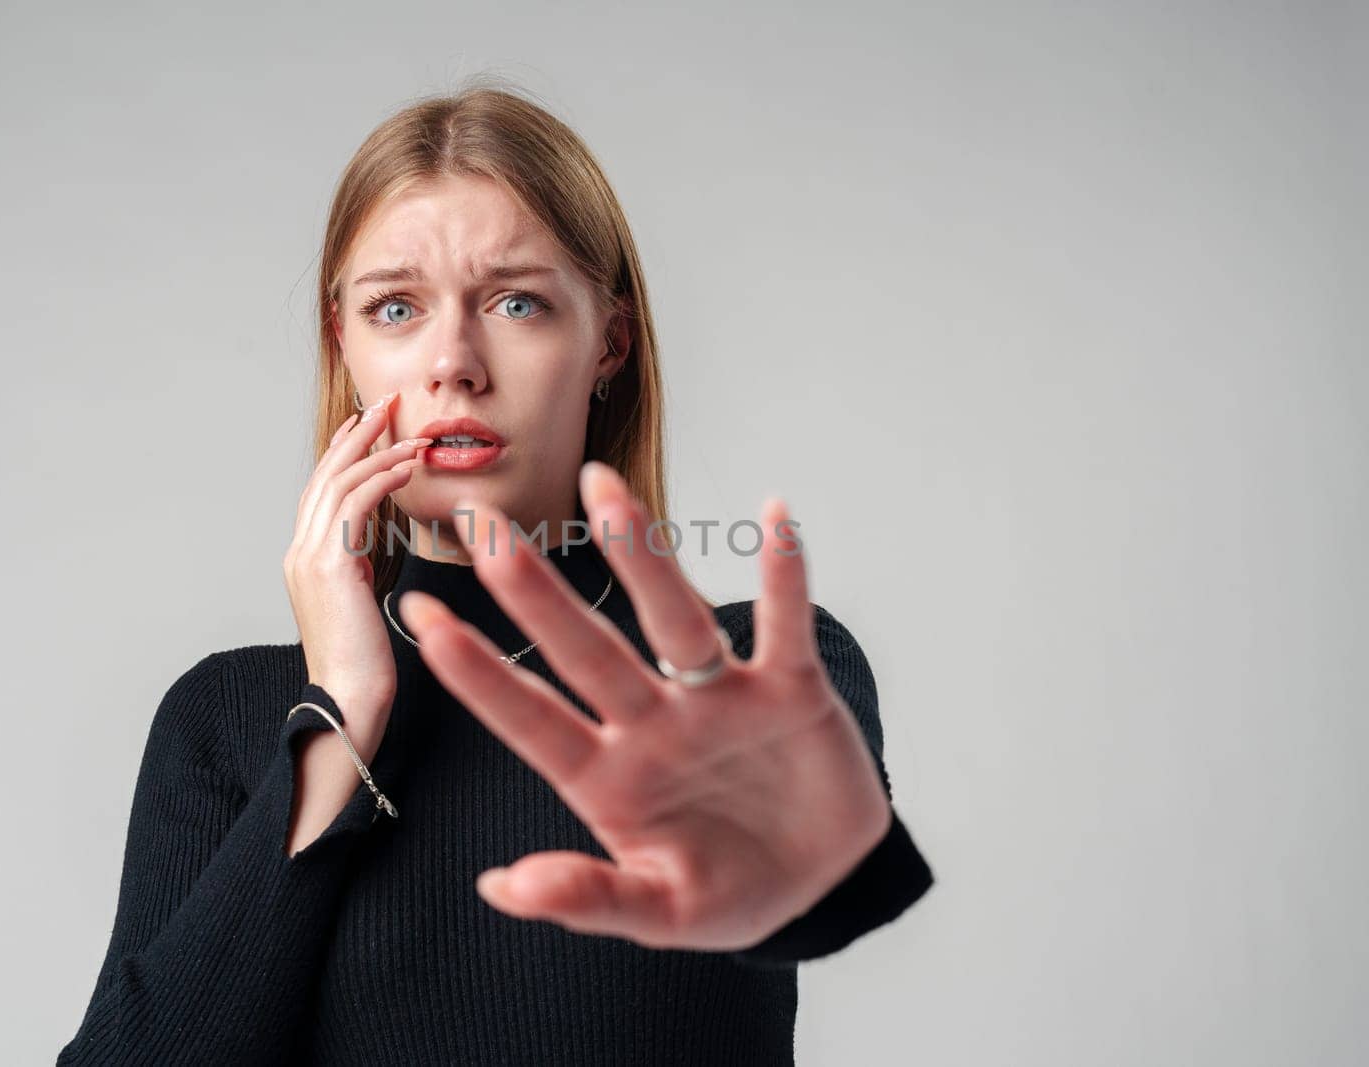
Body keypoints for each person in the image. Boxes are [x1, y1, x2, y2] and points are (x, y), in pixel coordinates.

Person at [57, 80, 934, 1066]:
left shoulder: (751, 660)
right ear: (343, 346)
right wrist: (341, 711)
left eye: (515, 302)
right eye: (396, 307)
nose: (455, 363)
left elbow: (826, 874)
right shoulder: (226, 718)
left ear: (608, 341)